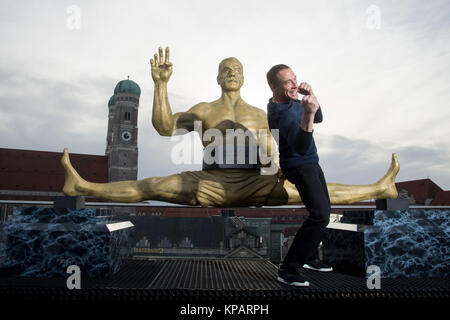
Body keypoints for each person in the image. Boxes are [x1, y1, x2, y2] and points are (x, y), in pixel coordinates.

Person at [61, 47, 399, 208]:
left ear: (244, 76)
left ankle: (380, 188)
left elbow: (294, 140)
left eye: (237, 68)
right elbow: (165, 128)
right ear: (219, 77)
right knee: (151, 185)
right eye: (226, 69)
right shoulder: (204, 110)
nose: (232, 72)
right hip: (211, 184)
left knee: (319, 192)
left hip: (259, 183)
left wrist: (306, 114)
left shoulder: (264, 111)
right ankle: (83, 186)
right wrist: (161, 85)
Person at [266, 64, 332, 287]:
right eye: (288, 82)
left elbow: (319, 117)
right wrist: (308, 113)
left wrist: (312, 96)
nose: (295, 85)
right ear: (274, 86)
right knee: (320, 215)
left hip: (311, 162)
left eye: (295, 79)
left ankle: (310, 257)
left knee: (325, 210)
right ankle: (288, 269)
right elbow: (302, 146)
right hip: (299, 166)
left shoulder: (291, 100)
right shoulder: (280, 114)